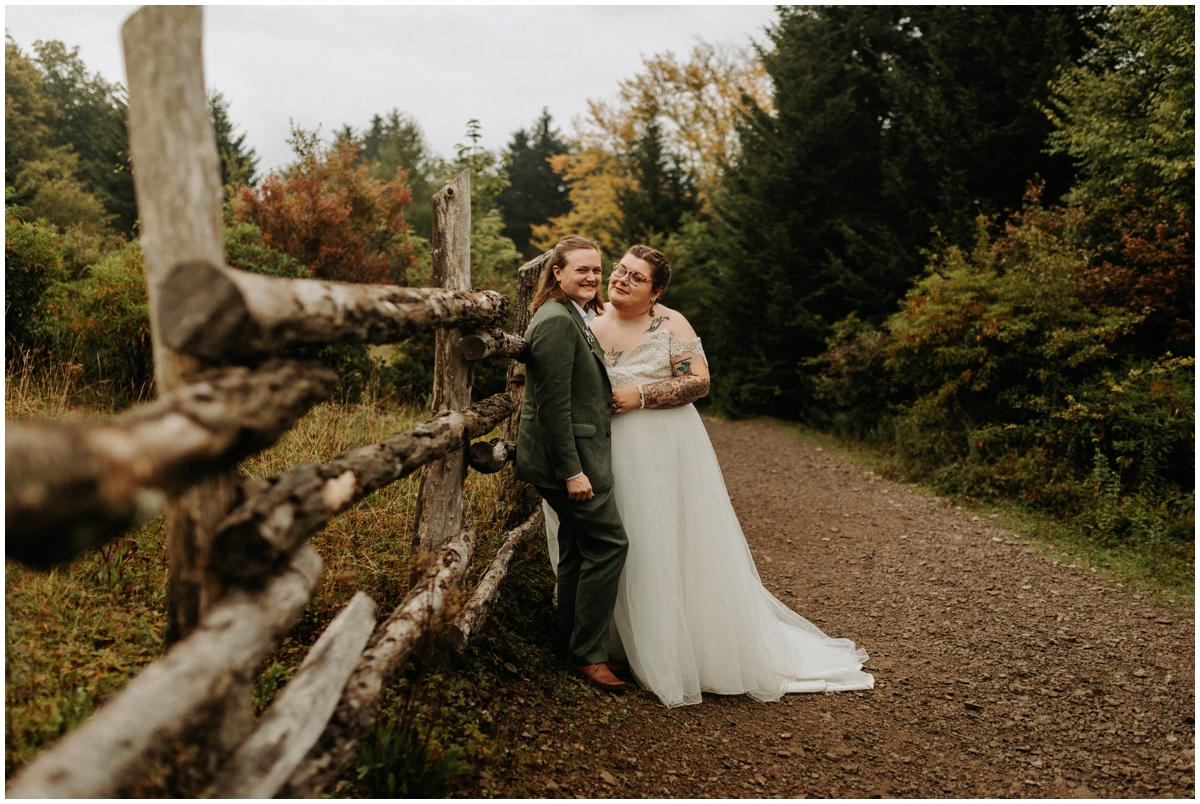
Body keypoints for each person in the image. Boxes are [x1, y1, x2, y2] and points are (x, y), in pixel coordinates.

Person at [548, 244, 874, 707]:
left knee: (665, 541)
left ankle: (677, 645)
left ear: (655, 291)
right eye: (619, 270)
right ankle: (613, 643)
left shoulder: (670, 323)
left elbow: (699, 382)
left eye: (635, 277)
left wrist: (639, 395)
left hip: (665, 449)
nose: (620, 279)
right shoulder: (588, 321)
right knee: (619, 542)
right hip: (608, 450)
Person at [514, 236, 629, 692]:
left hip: (576, 454)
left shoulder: (572, 315)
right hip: (567, 462)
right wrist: (572, 472)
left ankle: (569, 645)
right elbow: (550, 408)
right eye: (581, 269)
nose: (592, 278)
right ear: (556, 272)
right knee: (609, 545)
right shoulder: (556, 322)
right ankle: (587, 654)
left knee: (581, 549)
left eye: (597, 270)